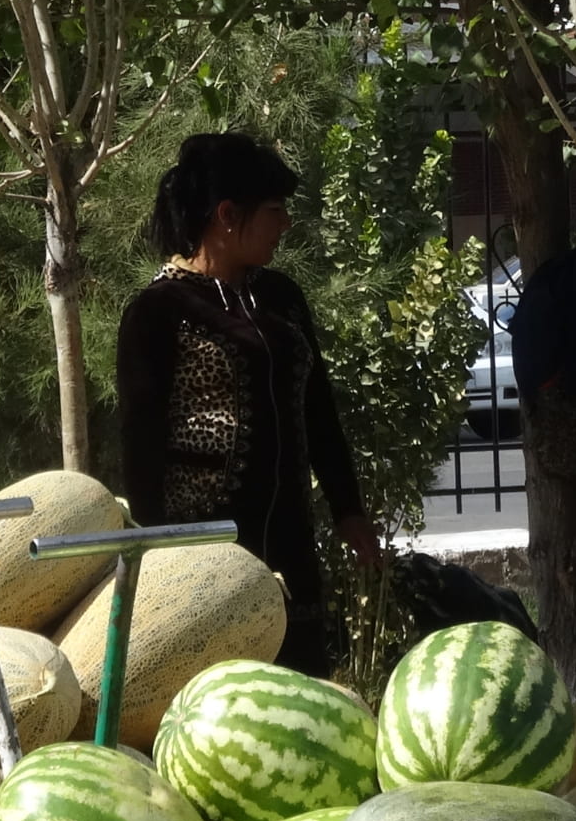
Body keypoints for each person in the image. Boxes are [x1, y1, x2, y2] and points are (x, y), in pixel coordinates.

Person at [117, 133, 380, 674]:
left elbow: (319, 408)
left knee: (299, 684)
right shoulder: (157, 310)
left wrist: (347, 508)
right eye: (275, 210)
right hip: (205, 549)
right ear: (227, 215)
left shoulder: (281, 298)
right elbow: (138, 447)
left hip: (290, 540)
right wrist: (156, 554)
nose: (285, 225)